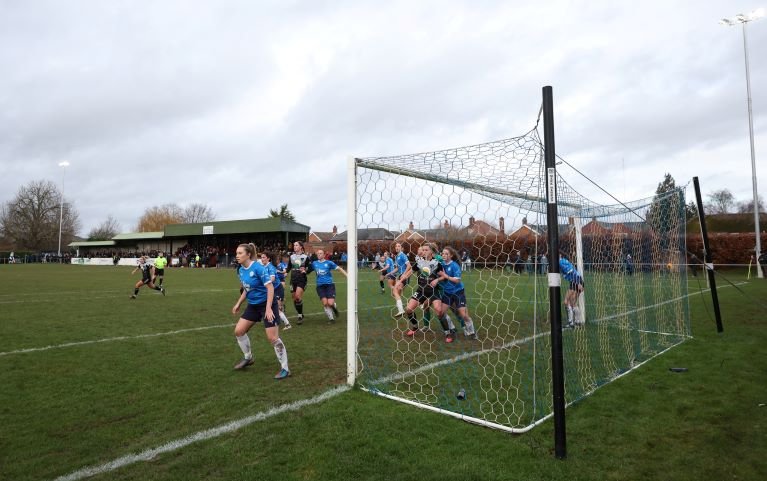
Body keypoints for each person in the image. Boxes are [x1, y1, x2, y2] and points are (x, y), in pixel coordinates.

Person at [232, 243, 290, 379]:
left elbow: (270, 288)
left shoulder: (258, 268)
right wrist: (238, 303)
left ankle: (285, 369)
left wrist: (269, 309)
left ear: (248, 254)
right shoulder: (241, 270)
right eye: (236, 253)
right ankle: (248, 357)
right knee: (239, 331)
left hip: (267, 304)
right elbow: (247, 289)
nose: (237, 256)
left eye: (240, 253)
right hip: (253, 306)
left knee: (273, 338)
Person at [399, 244, 450, 338]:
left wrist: (437, 280)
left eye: (426, 250)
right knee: (409, 309)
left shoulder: (436, 263)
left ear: (431, 252)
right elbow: (411, 272)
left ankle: (447, 332)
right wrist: (402, 279)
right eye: (423, 250)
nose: (423, 251)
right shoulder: (420, 262)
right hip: (421, 290)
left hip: (433, 290)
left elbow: (444, 276)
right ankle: (415, 327)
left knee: (439, 311)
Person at [436, 246, 478, 341]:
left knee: (463, 314)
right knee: (441, 313)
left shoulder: (454, 265)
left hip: (458, 292)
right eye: (443, 253)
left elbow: (457, 281)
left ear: (451, 255)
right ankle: (451, 328)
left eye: (446, 254)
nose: (444, 255)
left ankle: (472, 332)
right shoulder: (441, 264)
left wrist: (446, 276)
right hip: (447, 293)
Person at [310, 249, 348, 323]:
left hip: (329, 285)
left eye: (320, 253)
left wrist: (347, 275)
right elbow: (308, 269)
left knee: (330, 303)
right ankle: (331, 319)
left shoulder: (329, 263)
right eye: (318, 253)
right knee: (325, 303)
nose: (319, 255)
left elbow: (339, 268)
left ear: (324, 255)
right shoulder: (314, 263)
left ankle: (333, 306)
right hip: (320, 286)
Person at [261, 252, 292, 330]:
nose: (262, 259)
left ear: (268, 258)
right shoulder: (263, 267)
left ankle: (287, 324)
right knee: (271, 307)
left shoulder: (270, 267)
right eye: (261, 257)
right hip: (271, 290)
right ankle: (275, 320)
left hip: (277, 289)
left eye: (264, 257)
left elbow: (272, 278)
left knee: (276, 308)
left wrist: (265, 283)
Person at [287, 241, 312, 324]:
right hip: (293, 279)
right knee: (294, 298)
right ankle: (300, 313)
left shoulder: (306, 257)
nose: (294, 246)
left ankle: (300, 316)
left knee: (297, 296)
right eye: (294, 245)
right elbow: (289, 267)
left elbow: (310, 268)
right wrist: (286, 272)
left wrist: (305, 271)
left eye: (296, 245)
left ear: (301, 247)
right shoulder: (292, 257)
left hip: (302, 279)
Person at [559, 253, 584, 328]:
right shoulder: (564, 260)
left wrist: (579, 283)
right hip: (578, 280)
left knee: (566, 301)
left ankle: (571, 323)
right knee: (573, 303)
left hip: (575, 281)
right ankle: (578, 322)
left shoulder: (560, 262)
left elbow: (571, 271)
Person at [389, 243, 410, 316]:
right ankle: (402, 309)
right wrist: (390, 273)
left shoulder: (403, 255)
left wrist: (404, 274)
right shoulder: (397, 256)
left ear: (401, 248)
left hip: (404, 276)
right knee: (397, 293)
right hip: (401, 276)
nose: (397, 247)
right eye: (396, 246)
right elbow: (397, 268)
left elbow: (409, 266)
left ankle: (401, 310)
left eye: (399, 246)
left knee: (395, 291)